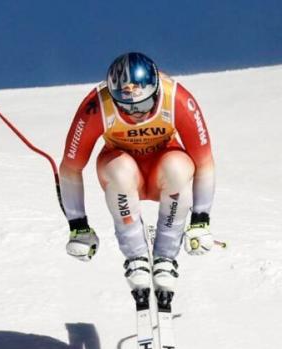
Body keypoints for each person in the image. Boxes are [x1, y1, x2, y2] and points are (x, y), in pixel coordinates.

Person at [59, 52, 215, 305]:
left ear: (154, 92)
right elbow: (70, 168)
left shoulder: (176, 98)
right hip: (122, 172)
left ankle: (165, 256)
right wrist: (78, 227)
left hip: (161, 171)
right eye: (126, 106)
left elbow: (205, 163)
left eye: (142, 106)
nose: (136, 114)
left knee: (178, 168)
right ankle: (136, 257)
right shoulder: (97, 106)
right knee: (120, 171)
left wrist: (201, 220)